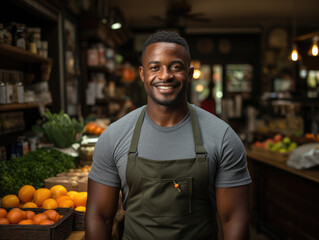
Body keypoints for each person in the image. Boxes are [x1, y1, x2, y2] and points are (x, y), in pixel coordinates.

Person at [86, 31, 251, 240]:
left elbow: (235, 219)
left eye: (176, 67)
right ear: (142, 74)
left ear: (190, 73)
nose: (165, 75)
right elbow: (99, 217)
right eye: (155, 67)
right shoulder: (114, 136)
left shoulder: (223, 137)